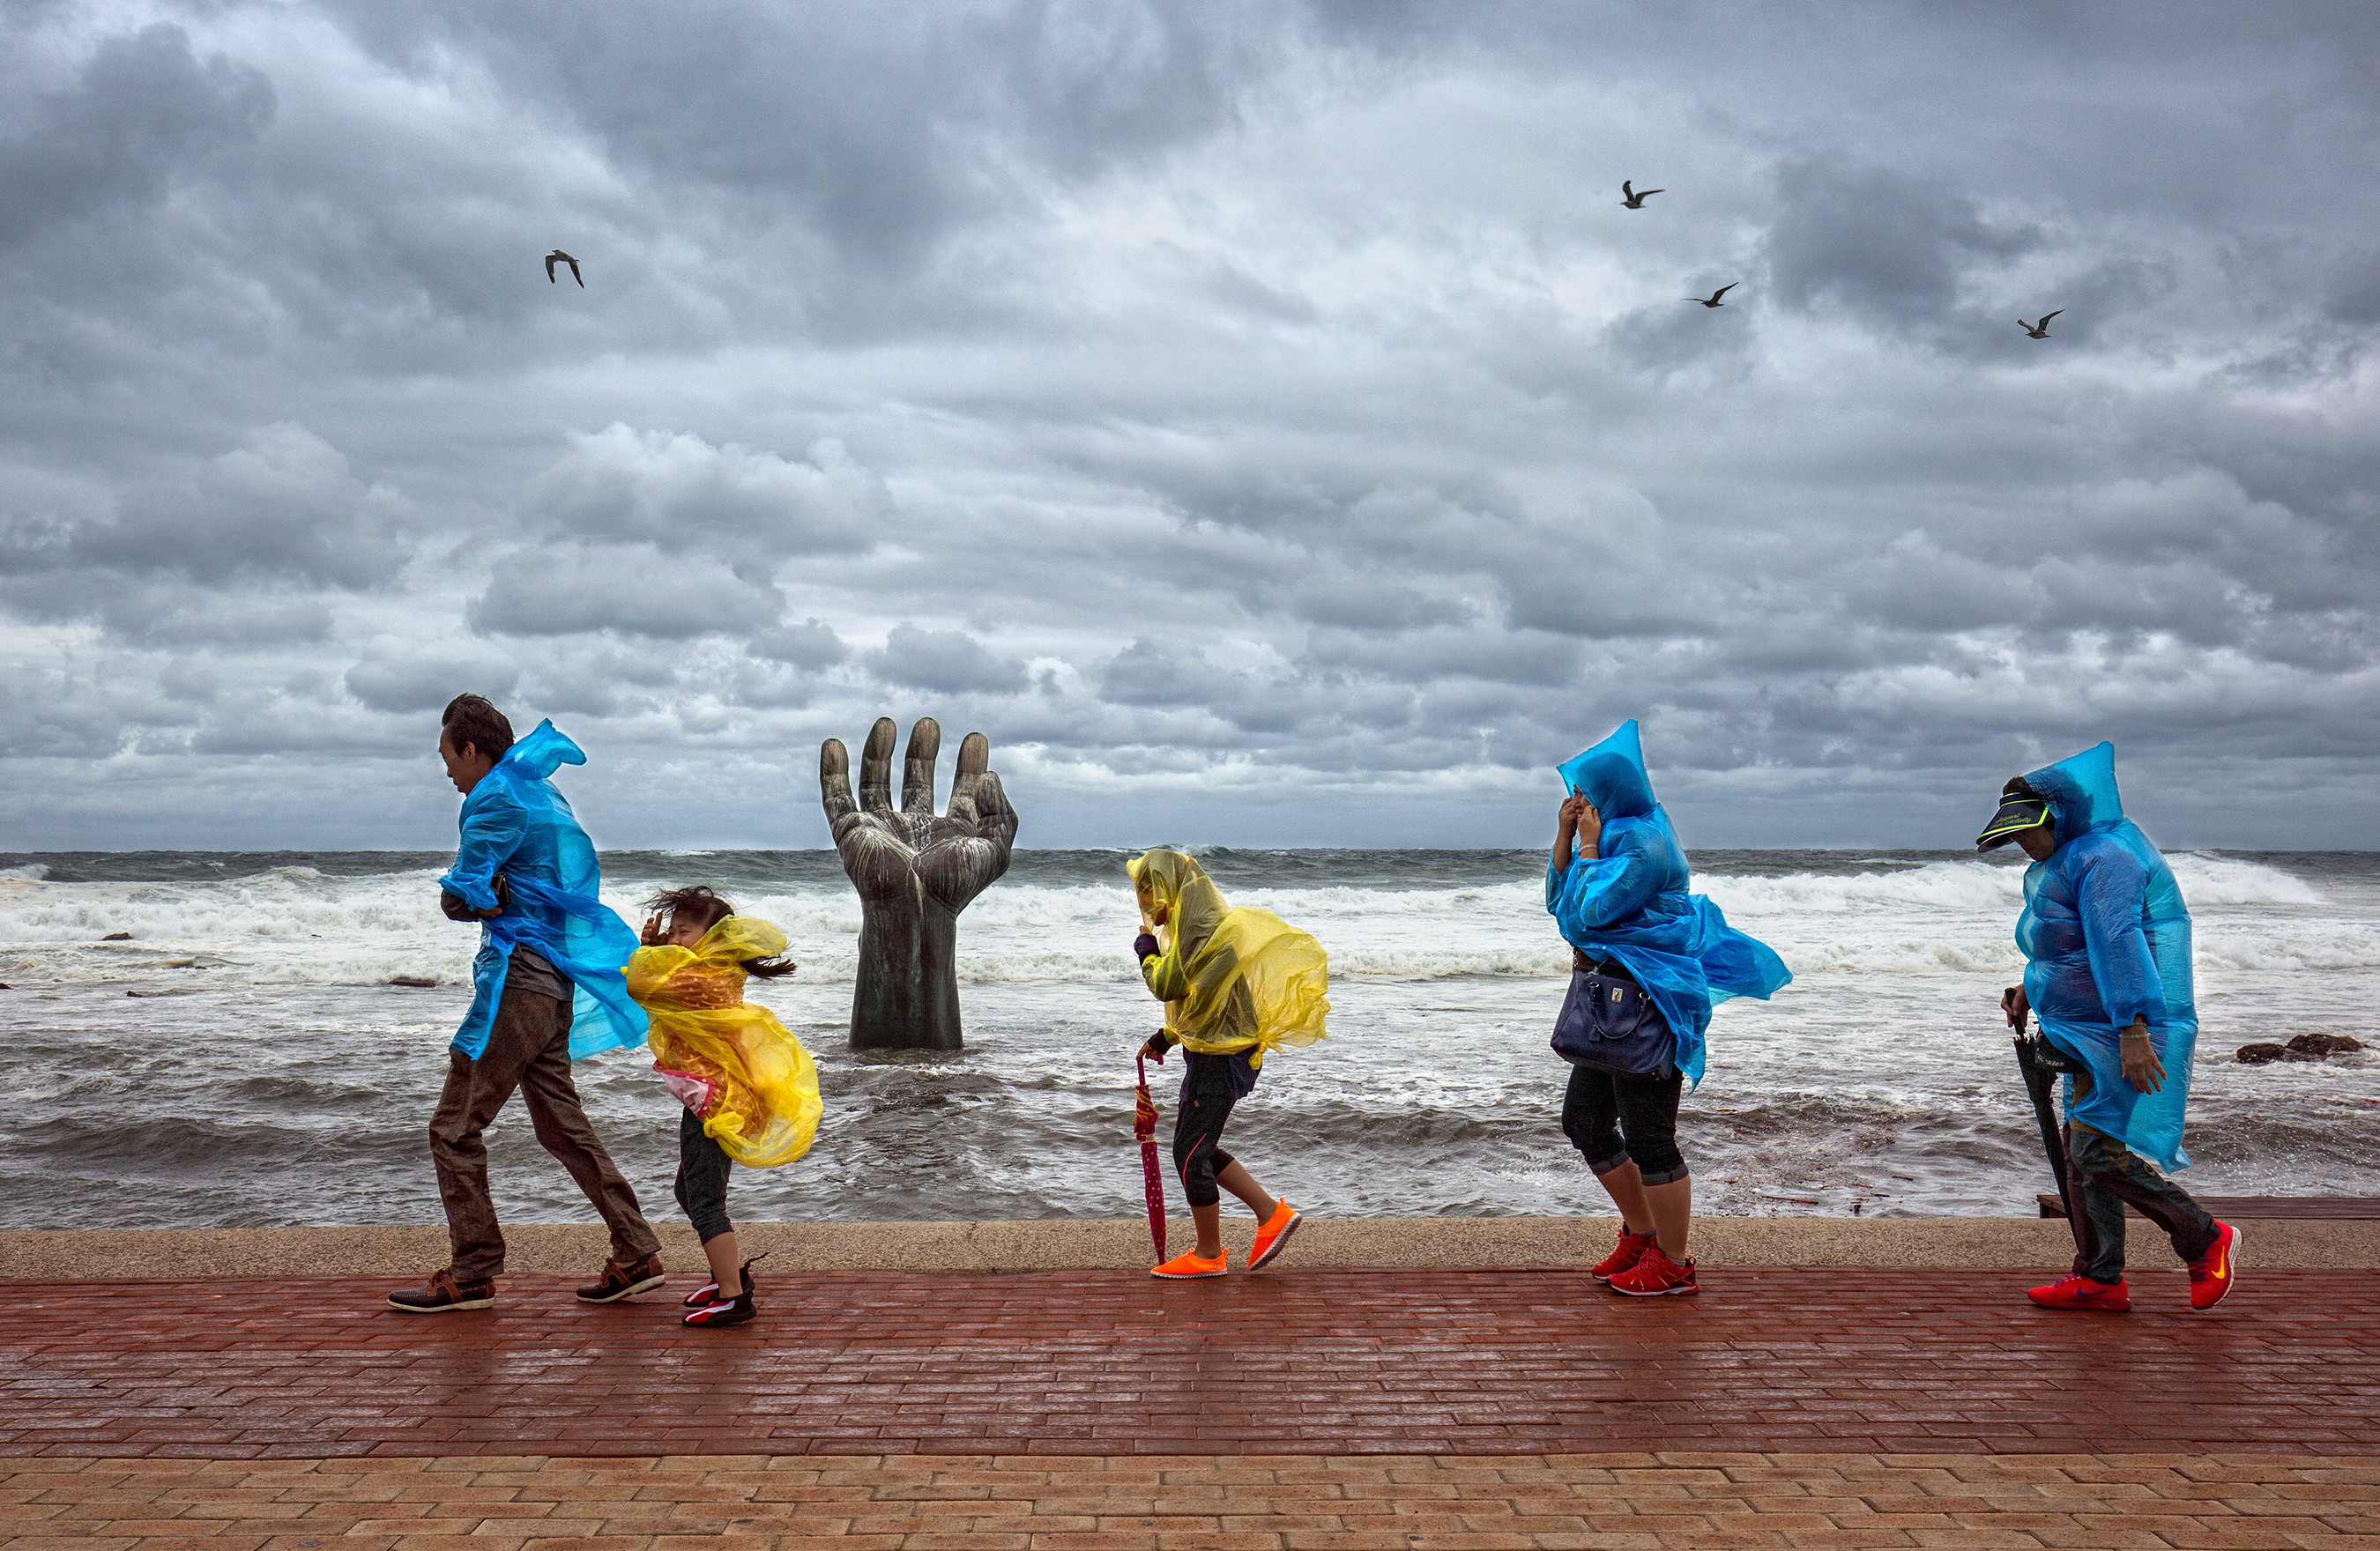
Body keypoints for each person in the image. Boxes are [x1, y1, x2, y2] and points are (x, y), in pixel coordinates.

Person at [390, 695, 664, 1314]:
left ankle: (475, 1271)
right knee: (562, 1126)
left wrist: (475, 897)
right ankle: (636, 1250)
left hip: (515, 985)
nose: (449, 776)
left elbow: (465, 894)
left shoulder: (492, 795)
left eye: (448, 760)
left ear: (469, 748)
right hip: (554, 987)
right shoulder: (542, 792)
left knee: (454, 1128)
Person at [1981, 742, 2238, 1312]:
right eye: (2014, 834)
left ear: (2060, 816)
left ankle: (2204, 1237)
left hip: (2119, 1031)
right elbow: (2071, 948)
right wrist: (2031, 988)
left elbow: (2119, 944)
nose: (2022, 843)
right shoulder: (2068, 860)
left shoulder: (2104, 858)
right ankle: (2099, 1277)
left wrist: (2132, 1032)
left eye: (2028, 830)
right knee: (2083, 1153)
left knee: (2095, 1155)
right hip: (2086, 1030)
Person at [1548, 720, 1791, 1297]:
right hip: (1605, 1000)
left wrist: (1585, 846)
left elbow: (1590, 915)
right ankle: (1642, 1233)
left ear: (1611, 791)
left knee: (1650, 1136)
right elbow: (1558, 902)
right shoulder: (1609, 834)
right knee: (1584, 1121)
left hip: (1651, 1002)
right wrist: (1565, 841)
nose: (1578, 801)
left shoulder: (1643, 843)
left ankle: (1675, 1263)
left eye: (1585, 792)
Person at [626, 885, 821, 1329]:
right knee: (688, 1192)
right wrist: (661, 949)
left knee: (706, 1200)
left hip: (718, 1101)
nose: (675, 939)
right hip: (715, 1094)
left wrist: (648, 951)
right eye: (672, 931)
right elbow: (658, 980)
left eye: (685, 931)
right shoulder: (704, 966)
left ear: (715, 937)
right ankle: (727, 1277)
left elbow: (641, 983)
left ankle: (734, 1298)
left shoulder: (709, 973)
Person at [1128, 848, 1329, 1279]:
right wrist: (1164, 1038)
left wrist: (1145, 952)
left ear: (1169, 888)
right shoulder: (1199, 924)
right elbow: (1205, 1001)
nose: (1145, 902)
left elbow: (1167, 984)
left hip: (1219, 1060)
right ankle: (1269, 1215)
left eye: (1149, 890)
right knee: (1199, 1145)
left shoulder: (1200, 931)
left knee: (1189, 1152)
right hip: (1218, 1052)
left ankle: (1208, 1254)